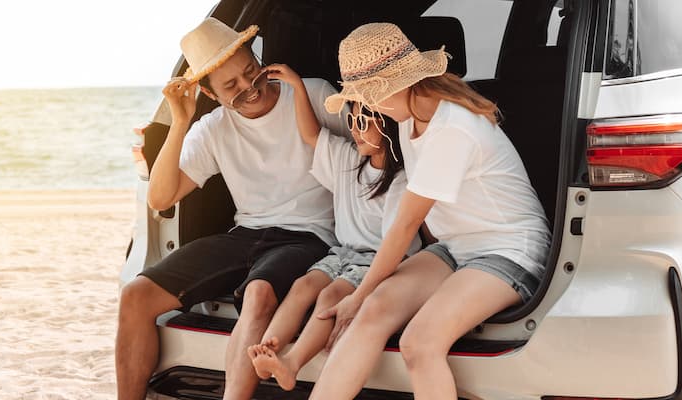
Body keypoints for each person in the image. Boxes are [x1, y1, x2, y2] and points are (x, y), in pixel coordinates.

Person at [308, 23, 551, 399]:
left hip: (509, 250)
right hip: (456, 248)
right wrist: (365, 299)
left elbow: (405, 225)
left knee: (419, 343)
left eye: (371, 95)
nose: (369, 106)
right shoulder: (410, 116)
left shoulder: (452, 128)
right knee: (375, 310)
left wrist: (355, 295)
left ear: (398, 84)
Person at [115, 18, 346, 400]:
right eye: (231, 86)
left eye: (250, 72)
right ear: (208, 91)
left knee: (257, 294)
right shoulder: (212, 128)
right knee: (136, 296)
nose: (249, 88)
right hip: (247, 235)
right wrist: (179, 122)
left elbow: (373, 157)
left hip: (309, 235)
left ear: (257, 59)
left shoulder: (311, 93)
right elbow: (160, 198)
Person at [243, 63, 420, 391]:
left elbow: (398, 244)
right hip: (343, 253)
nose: (353, 128)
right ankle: (268, 348)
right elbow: (311, 134)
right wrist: (297, 85)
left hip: (379, 261)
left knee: (331, 294)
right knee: (303, 287)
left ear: (386, 125)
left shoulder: (403, 181)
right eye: (350, 119)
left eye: (362, 121)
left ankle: (291, 364)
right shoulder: (348, 160)